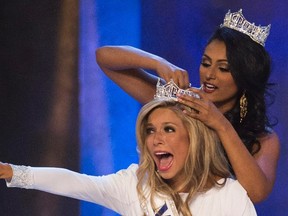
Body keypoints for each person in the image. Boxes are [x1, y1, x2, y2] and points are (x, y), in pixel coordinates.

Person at [95, 9, 280, 203]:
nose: (209, 74)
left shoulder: (263, 138)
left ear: (245, 77)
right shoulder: (180, 102)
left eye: (223, 68)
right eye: (206, 63)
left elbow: (256, 194)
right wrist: (157, 62)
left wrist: (220, 123)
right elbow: (104, 57)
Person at [0, 96, 257, 215]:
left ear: (194, 140)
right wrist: (14, 172)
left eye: (168, 129)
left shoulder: (229, 196)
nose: (156, 138)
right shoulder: (136, 185)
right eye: (150, 130)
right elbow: (78, 183)